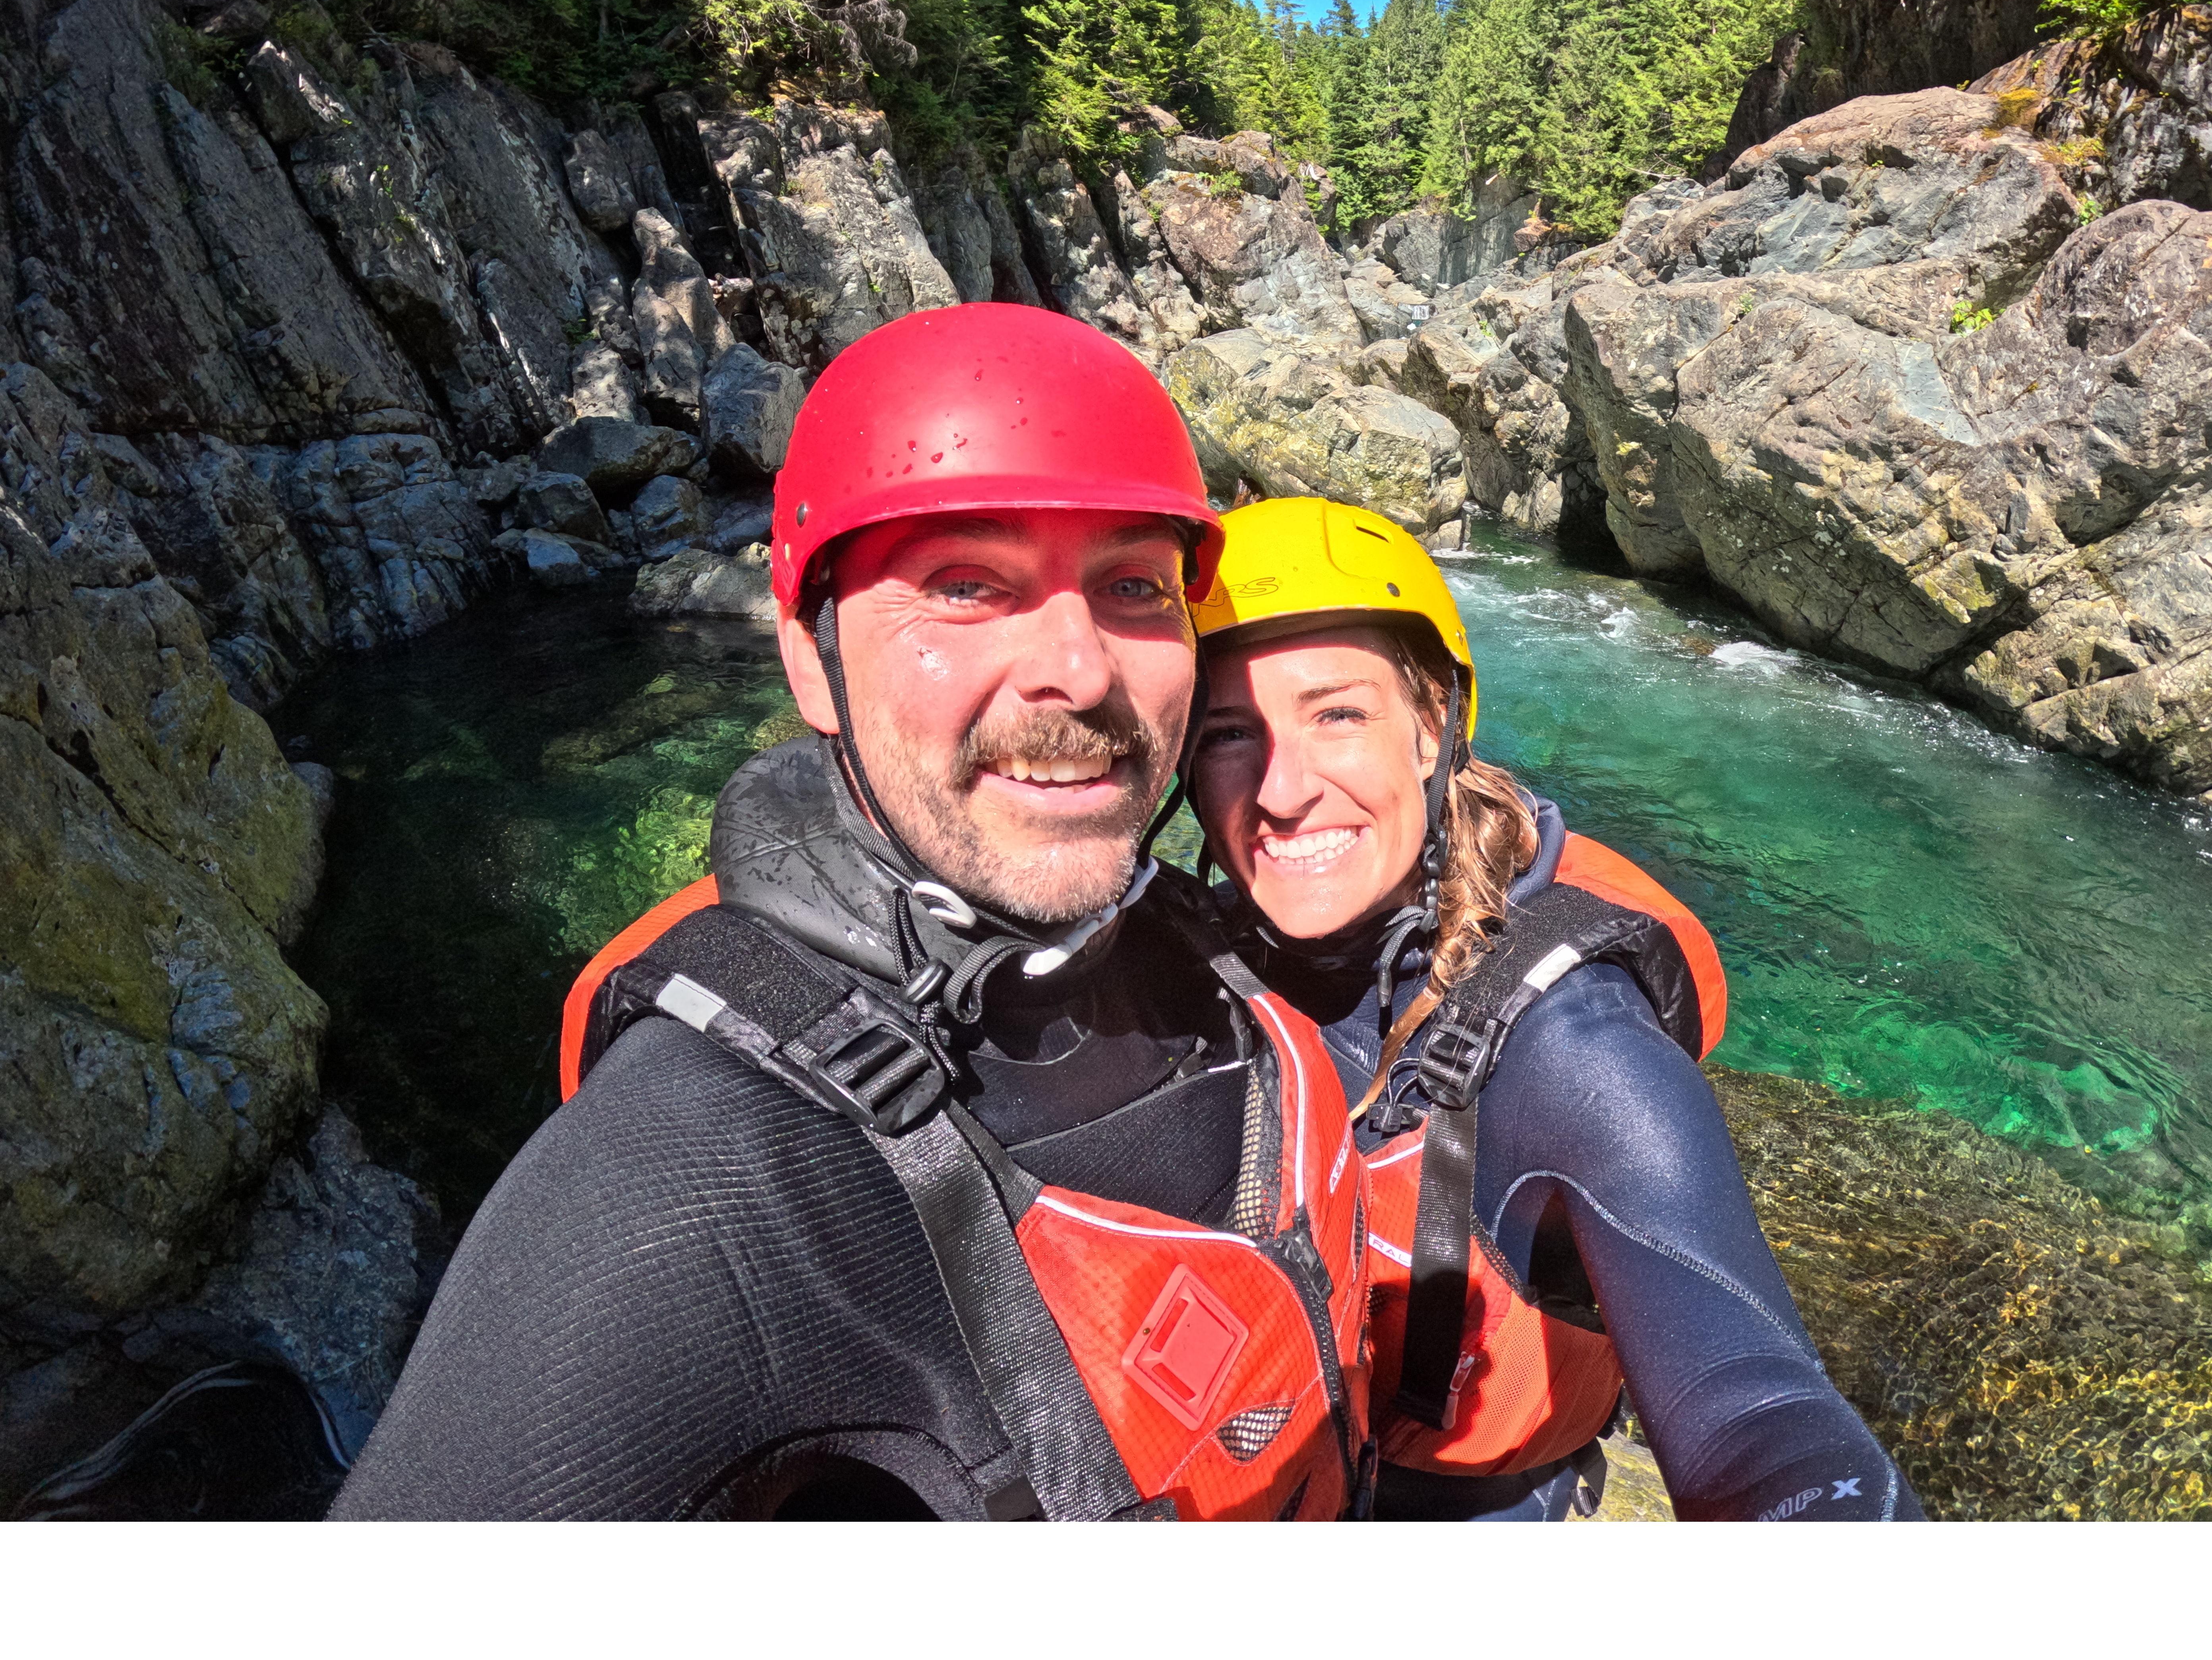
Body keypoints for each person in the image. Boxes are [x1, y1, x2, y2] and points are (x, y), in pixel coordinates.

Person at [331, 305, 1368, 1521]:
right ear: (812, 663)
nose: (1081, 673)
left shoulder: (1213, 949)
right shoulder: (683, 1183)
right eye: (968, 586)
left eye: (1133, 584)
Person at [1185, 496, 1924, 1523]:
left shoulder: (1569, 1041)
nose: (1282, 788)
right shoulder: (1205, 946)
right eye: (1229, 733)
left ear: (1433, 725)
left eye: (1338, 714)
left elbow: (1757, 1414)